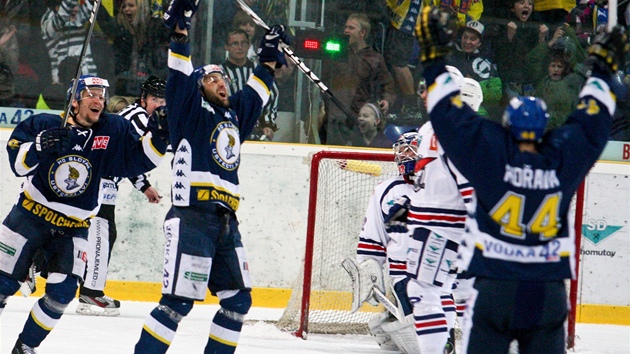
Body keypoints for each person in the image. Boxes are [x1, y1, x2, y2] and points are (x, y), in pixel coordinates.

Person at [415, 5, 628, 353]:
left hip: (496, 287)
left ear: (508, 126)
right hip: (547, 291)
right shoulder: (562, 155)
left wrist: (433, 59)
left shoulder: (490, 153)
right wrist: (604, 70)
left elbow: (447, 115)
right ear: (544, 128)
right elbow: (594, 119)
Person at [134, 1, 286, 352]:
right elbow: (179, 73)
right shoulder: (189, 112)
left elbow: (258, 89)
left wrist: (269, 52)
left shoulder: (233, 117)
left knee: (238, 303)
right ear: (199, 88)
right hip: (192, 219)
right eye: (210, 78)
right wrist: (180, 31)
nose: (219, 82)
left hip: (226, 224)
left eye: (221, 77)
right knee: (176, 304)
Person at [0, 74, 168, 353]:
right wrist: (40, 146)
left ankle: (25, 347)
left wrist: (160, 137)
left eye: (102, 96)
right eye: (91, 94)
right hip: (29, 217)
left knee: (63, 293)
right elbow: (17, 165)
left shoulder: (113, 130)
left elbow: (138, 160)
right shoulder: (44, 124)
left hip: (75, 226)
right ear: (74, 100)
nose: (98, 100)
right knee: (3, 284)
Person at [76, 75, 165, 316]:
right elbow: (128, 154)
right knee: (101, 231)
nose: (160, 104)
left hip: (101, 180)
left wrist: (143, 185)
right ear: (144, 99)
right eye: (155, 99)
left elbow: (127, 156)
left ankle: (36, 262)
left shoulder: (141, 117)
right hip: (99, 180)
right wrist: (143, 183)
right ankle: (90, 293)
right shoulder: (138, 118)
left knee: (82, 230)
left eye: (163, 100)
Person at [319, 13, 396, 145]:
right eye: (346, 27)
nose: (346, 30)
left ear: (362, 33)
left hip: (358, 121)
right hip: (334, 120)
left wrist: (387, 100)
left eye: (351, 28)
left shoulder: (374, 59)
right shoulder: (335, 54)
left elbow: (388, 86)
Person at [220, 29, 279, 141]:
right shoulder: (219, 73)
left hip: (256, 132)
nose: (240, 47)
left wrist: (267, 123)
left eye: (244, 43)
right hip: (226, 131)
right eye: (235, 43)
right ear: (226, 47)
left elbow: (272, 94)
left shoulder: (259, 71)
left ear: (249, 45)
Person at [41, 0, 99, 85]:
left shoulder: (77, 18)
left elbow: (91, 5)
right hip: (64, 83)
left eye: (77, 5)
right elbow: (61, 17)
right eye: (72, 6)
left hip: (89, 81)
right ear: (57, 8)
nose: (76, 9)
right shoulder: (48, 20)